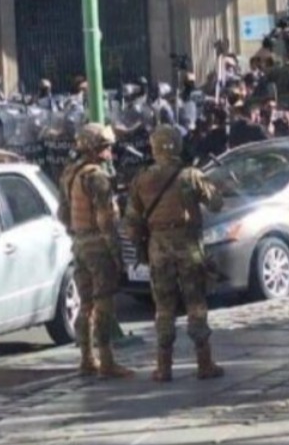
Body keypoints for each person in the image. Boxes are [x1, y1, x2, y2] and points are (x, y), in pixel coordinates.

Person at [126, 126, 225, 383]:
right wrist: (215, 183)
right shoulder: (190, 176)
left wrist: (141, 246)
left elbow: (132, 222)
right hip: (188, 246)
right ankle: (204, 362)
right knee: (195, 304)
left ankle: (164, 366)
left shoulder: (142, 179)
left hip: (158, 248)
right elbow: (216, 204)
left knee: (163, 307)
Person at [58, 125, 135, 380]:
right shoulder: (97, 178)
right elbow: (106, 220)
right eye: (105, 147)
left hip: (79, 244)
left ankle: (86, 359)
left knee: (86, 305)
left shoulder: (70, 174)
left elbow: (63, 214)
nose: (109, 152)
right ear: (93, 149)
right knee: (103, 305)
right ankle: (107, 361)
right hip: (98, 246)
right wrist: (117, 254)